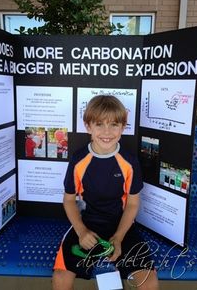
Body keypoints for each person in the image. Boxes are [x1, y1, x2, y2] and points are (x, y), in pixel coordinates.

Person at [52, 95, 159, 290]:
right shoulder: (79, 160)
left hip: (122, 227)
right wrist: (81, 231)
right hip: (87, 225)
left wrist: (118, 238)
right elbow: (68, 200)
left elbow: (133, 204)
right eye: (99, 124)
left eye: (114, 125)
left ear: (123, 127)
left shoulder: (129, 162)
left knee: (149, 282)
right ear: (88, 126)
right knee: (60, 278)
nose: (107, 132)